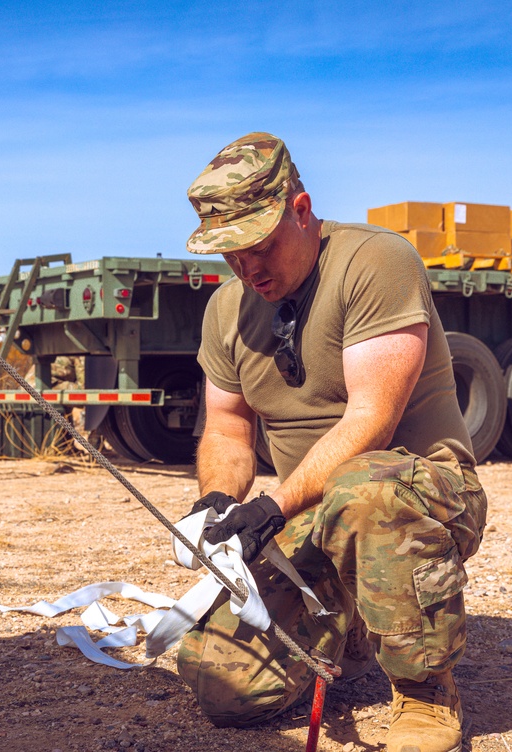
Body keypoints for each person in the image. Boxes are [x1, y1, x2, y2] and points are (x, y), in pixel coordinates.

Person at [177, 132, 487, 752]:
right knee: (225, 689)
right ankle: (351, 621)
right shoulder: (226, 309)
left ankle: (426, 693)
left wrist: (270, 508)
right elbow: (229, 428)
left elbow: (371, 421)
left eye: (259, 248)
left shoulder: (375, 261)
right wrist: (216, 502)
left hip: (415, 490)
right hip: (313, 510)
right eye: (231, 256)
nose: (249, 270)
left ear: (301, 209)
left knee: (364, 490)